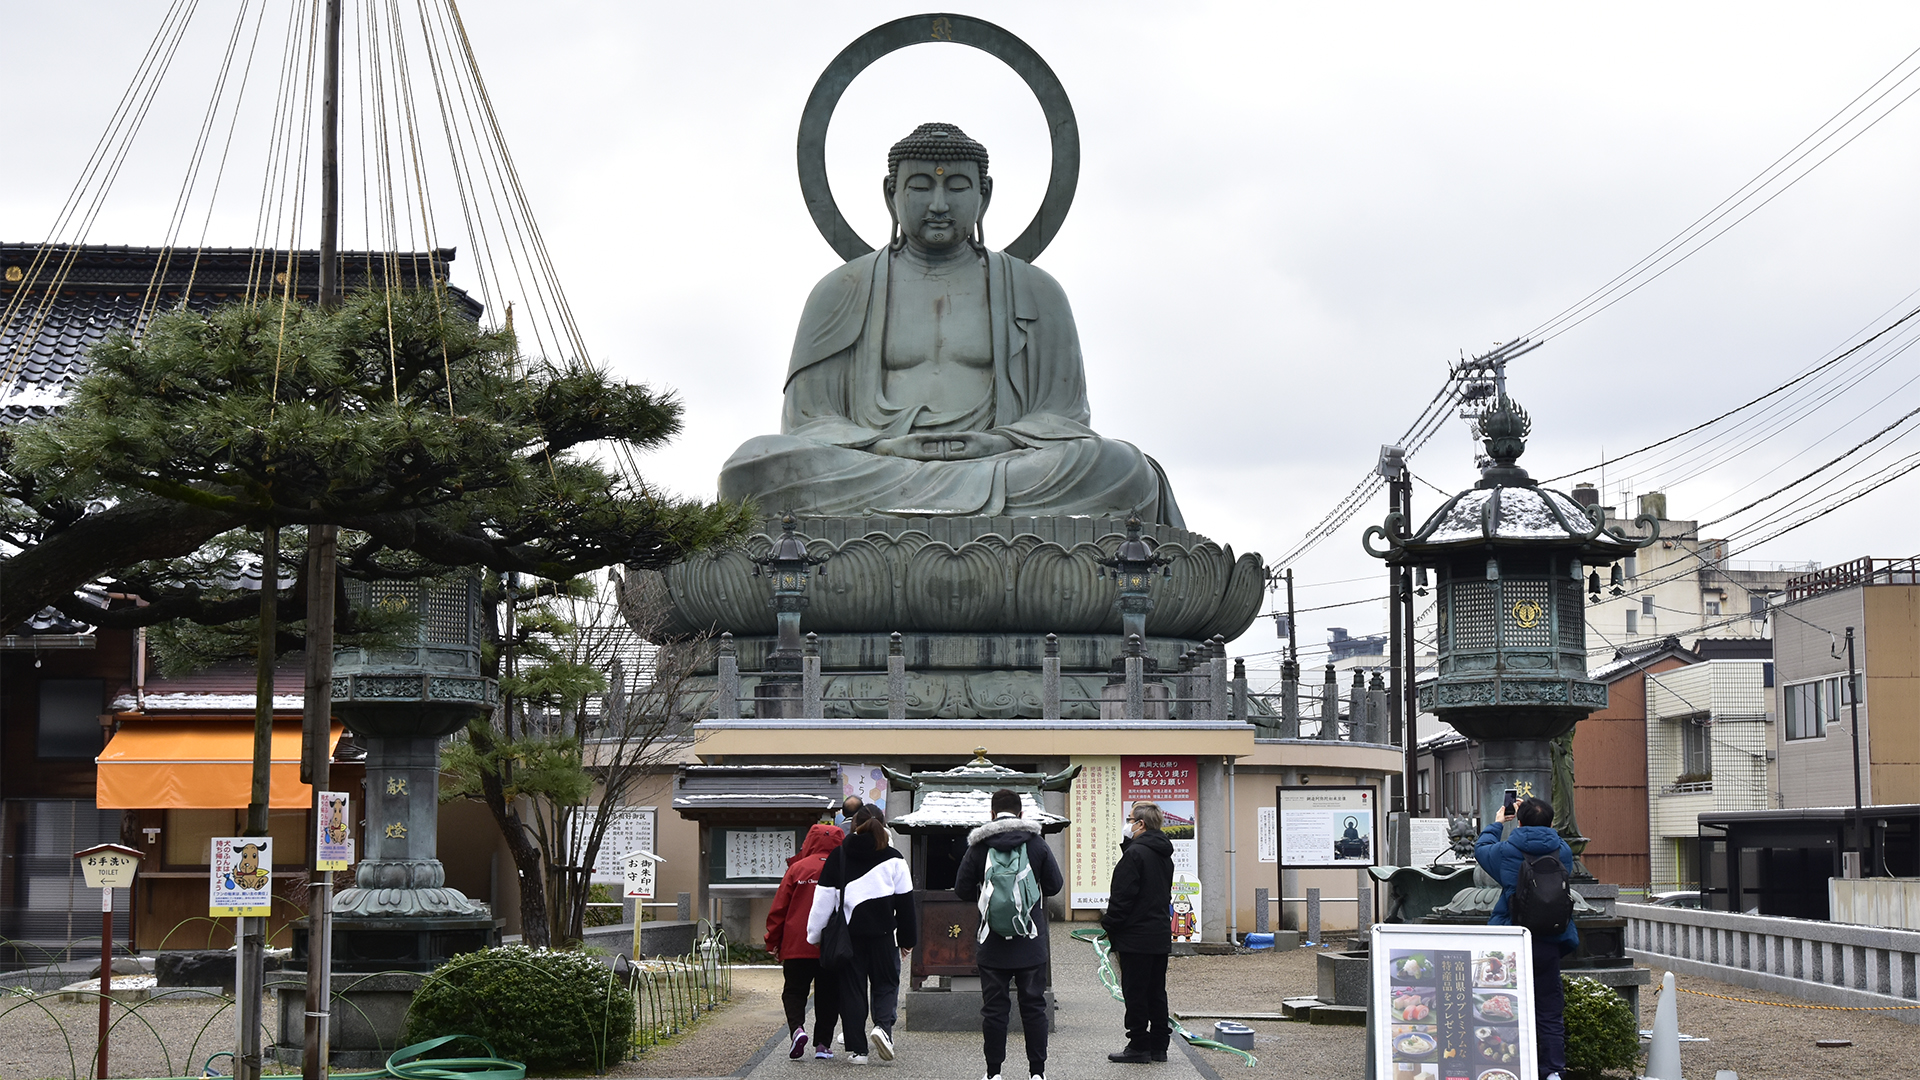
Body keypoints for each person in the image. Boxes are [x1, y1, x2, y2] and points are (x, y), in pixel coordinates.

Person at [717, 122, 1182, 524]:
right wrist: (885, 448)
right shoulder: (841, 289)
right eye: (920, 185)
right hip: (875, 465)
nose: (939, 203)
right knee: (755, 464)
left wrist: (993, 444)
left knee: (1121, 467)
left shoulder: (1036, 291)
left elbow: (1064, 419)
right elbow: (809, 423)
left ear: (985, 194)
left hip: (1001, 465)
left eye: (957, 187)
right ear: (890, 194)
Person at [953, 789, 1065, 1080]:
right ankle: (1037, 1073)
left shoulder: (979, 846)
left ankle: (993, 1073)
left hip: (992, 944)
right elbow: (1054, 886)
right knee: (1034, 1008)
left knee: (994, 1010)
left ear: (991, 815)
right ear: (1021, 814)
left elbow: (962, 890)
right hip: (1030, 941)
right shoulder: (1036, 843)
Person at [1476, 795, 1579, 1080]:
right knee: (1549, 1009)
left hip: (1512, 941)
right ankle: (1553, 1071)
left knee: (1504, 1008)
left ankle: (1507, 1067)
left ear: (1518, 821)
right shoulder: (1564, 852)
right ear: (1551, 822)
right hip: (1550, 939)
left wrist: (1498, 824)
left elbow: (1481, 849)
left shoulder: (1506, 851)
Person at [808, 803, 918, 1064]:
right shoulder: (894, 858)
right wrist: (907, 941)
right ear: (883, 825)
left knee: (852, 990)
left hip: (849, 936)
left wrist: (814, 936)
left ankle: (858, 1051)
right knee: (886, 984)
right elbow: (905, 903)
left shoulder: (839, 855)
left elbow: (823, 900)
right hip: (884, 935)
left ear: (854, 825)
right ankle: (882, 1028)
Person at [1102, 801, 1175, 1064]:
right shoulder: (1164, 854)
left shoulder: (1134, 856)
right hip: (1158, 934)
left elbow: (1122, 898)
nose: (1128, 823)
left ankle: (1138, 1045)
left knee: (1135, 992)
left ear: (1140, 824)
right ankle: (1159, 1046)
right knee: (1157, 991)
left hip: (1135, 937)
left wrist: (1108, 924)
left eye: (1130, 819)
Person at [766, 823, 845, 1061]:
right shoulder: (844, 868)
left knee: (794, 991)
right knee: (829, 995)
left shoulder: (797, 869)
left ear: (809, 841)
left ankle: (797, 1030)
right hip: (831, 946)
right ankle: (823, 1044)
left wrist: (772, 941)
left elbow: (779, 908)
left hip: (796, 944)